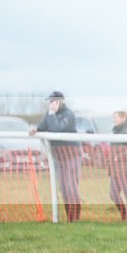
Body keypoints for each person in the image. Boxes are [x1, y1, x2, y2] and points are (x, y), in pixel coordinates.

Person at [28, 91, 82, 222]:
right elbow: (42, 126)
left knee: (70, 187)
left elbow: (57, 128)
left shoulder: (68, 114)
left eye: (53, 101)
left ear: (59, 102)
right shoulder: (49, 114)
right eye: (50, 101)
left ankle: (75, 217)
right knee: (63, 188)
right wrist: (34, 128)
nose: (50, 104)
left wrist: (51, 114)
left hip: (71, 154)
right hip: (59, 156)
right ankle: (70, 217)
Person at [108, 111, 127, 221]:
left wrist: (118, 157)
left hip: (125, 170)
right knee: (113, 194)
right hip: (114, 171)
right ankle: (123, 213)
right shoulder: (114, 133)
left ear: (123, 118)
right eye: (113, 117)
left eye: (116, 117)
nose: (114, 119)